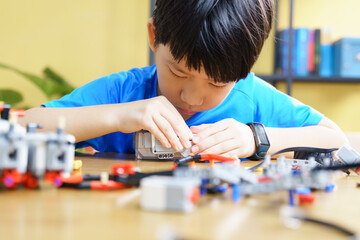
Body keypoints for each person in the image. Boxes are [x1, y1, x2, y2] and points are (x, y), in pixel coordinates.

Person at [19, 0, 348, 158]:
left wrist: (256, 139)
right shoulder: (124, 92)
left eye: (218, 83)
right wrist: (120, 115)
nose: (191, 97)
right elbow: (24, 125)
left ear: (244, 70)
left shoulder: (253, 96)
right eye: (178, 72)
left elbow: (335, 138)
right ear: (153, 36)